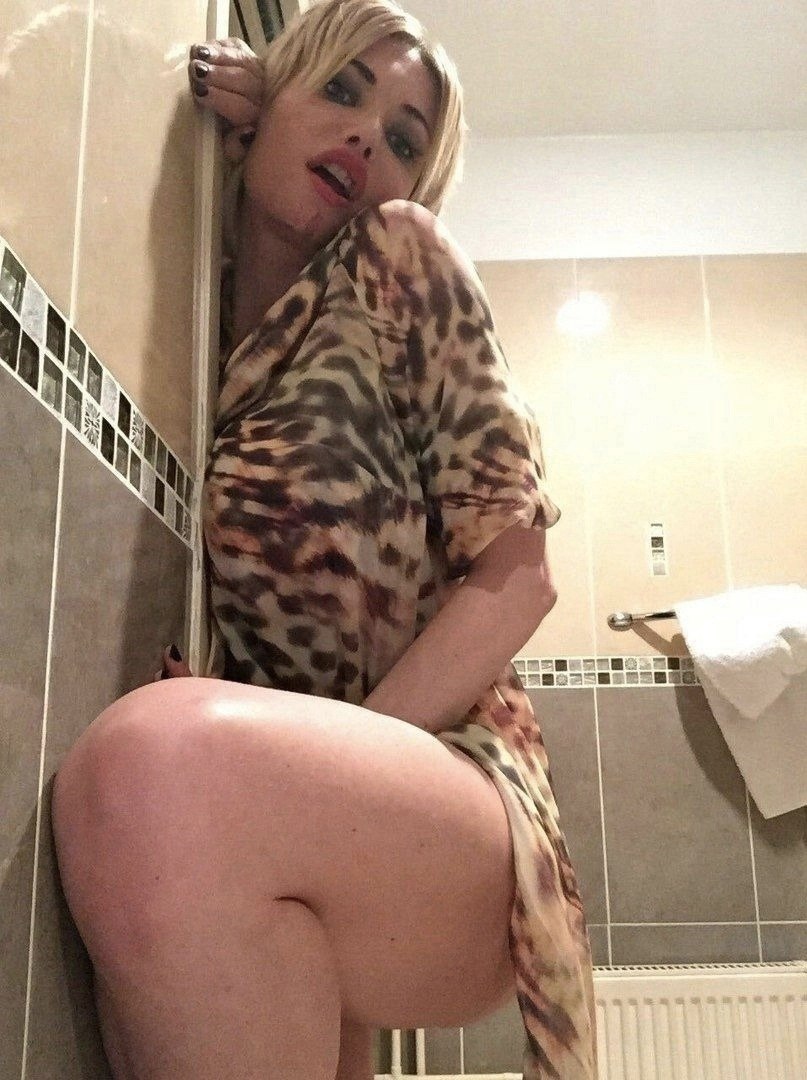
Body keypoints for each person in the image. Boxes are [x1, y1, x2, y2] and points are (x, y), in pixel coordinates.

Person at [50, 2, 596, 1078]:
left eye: (403, 139)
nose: (364, 136)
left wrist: (321, 743)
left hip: (460, 788)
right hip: (323, 810)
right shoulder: (208, 326)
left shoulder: (398, 257)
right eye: (343, 90)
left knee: (148, 766)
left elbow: (520, 576)